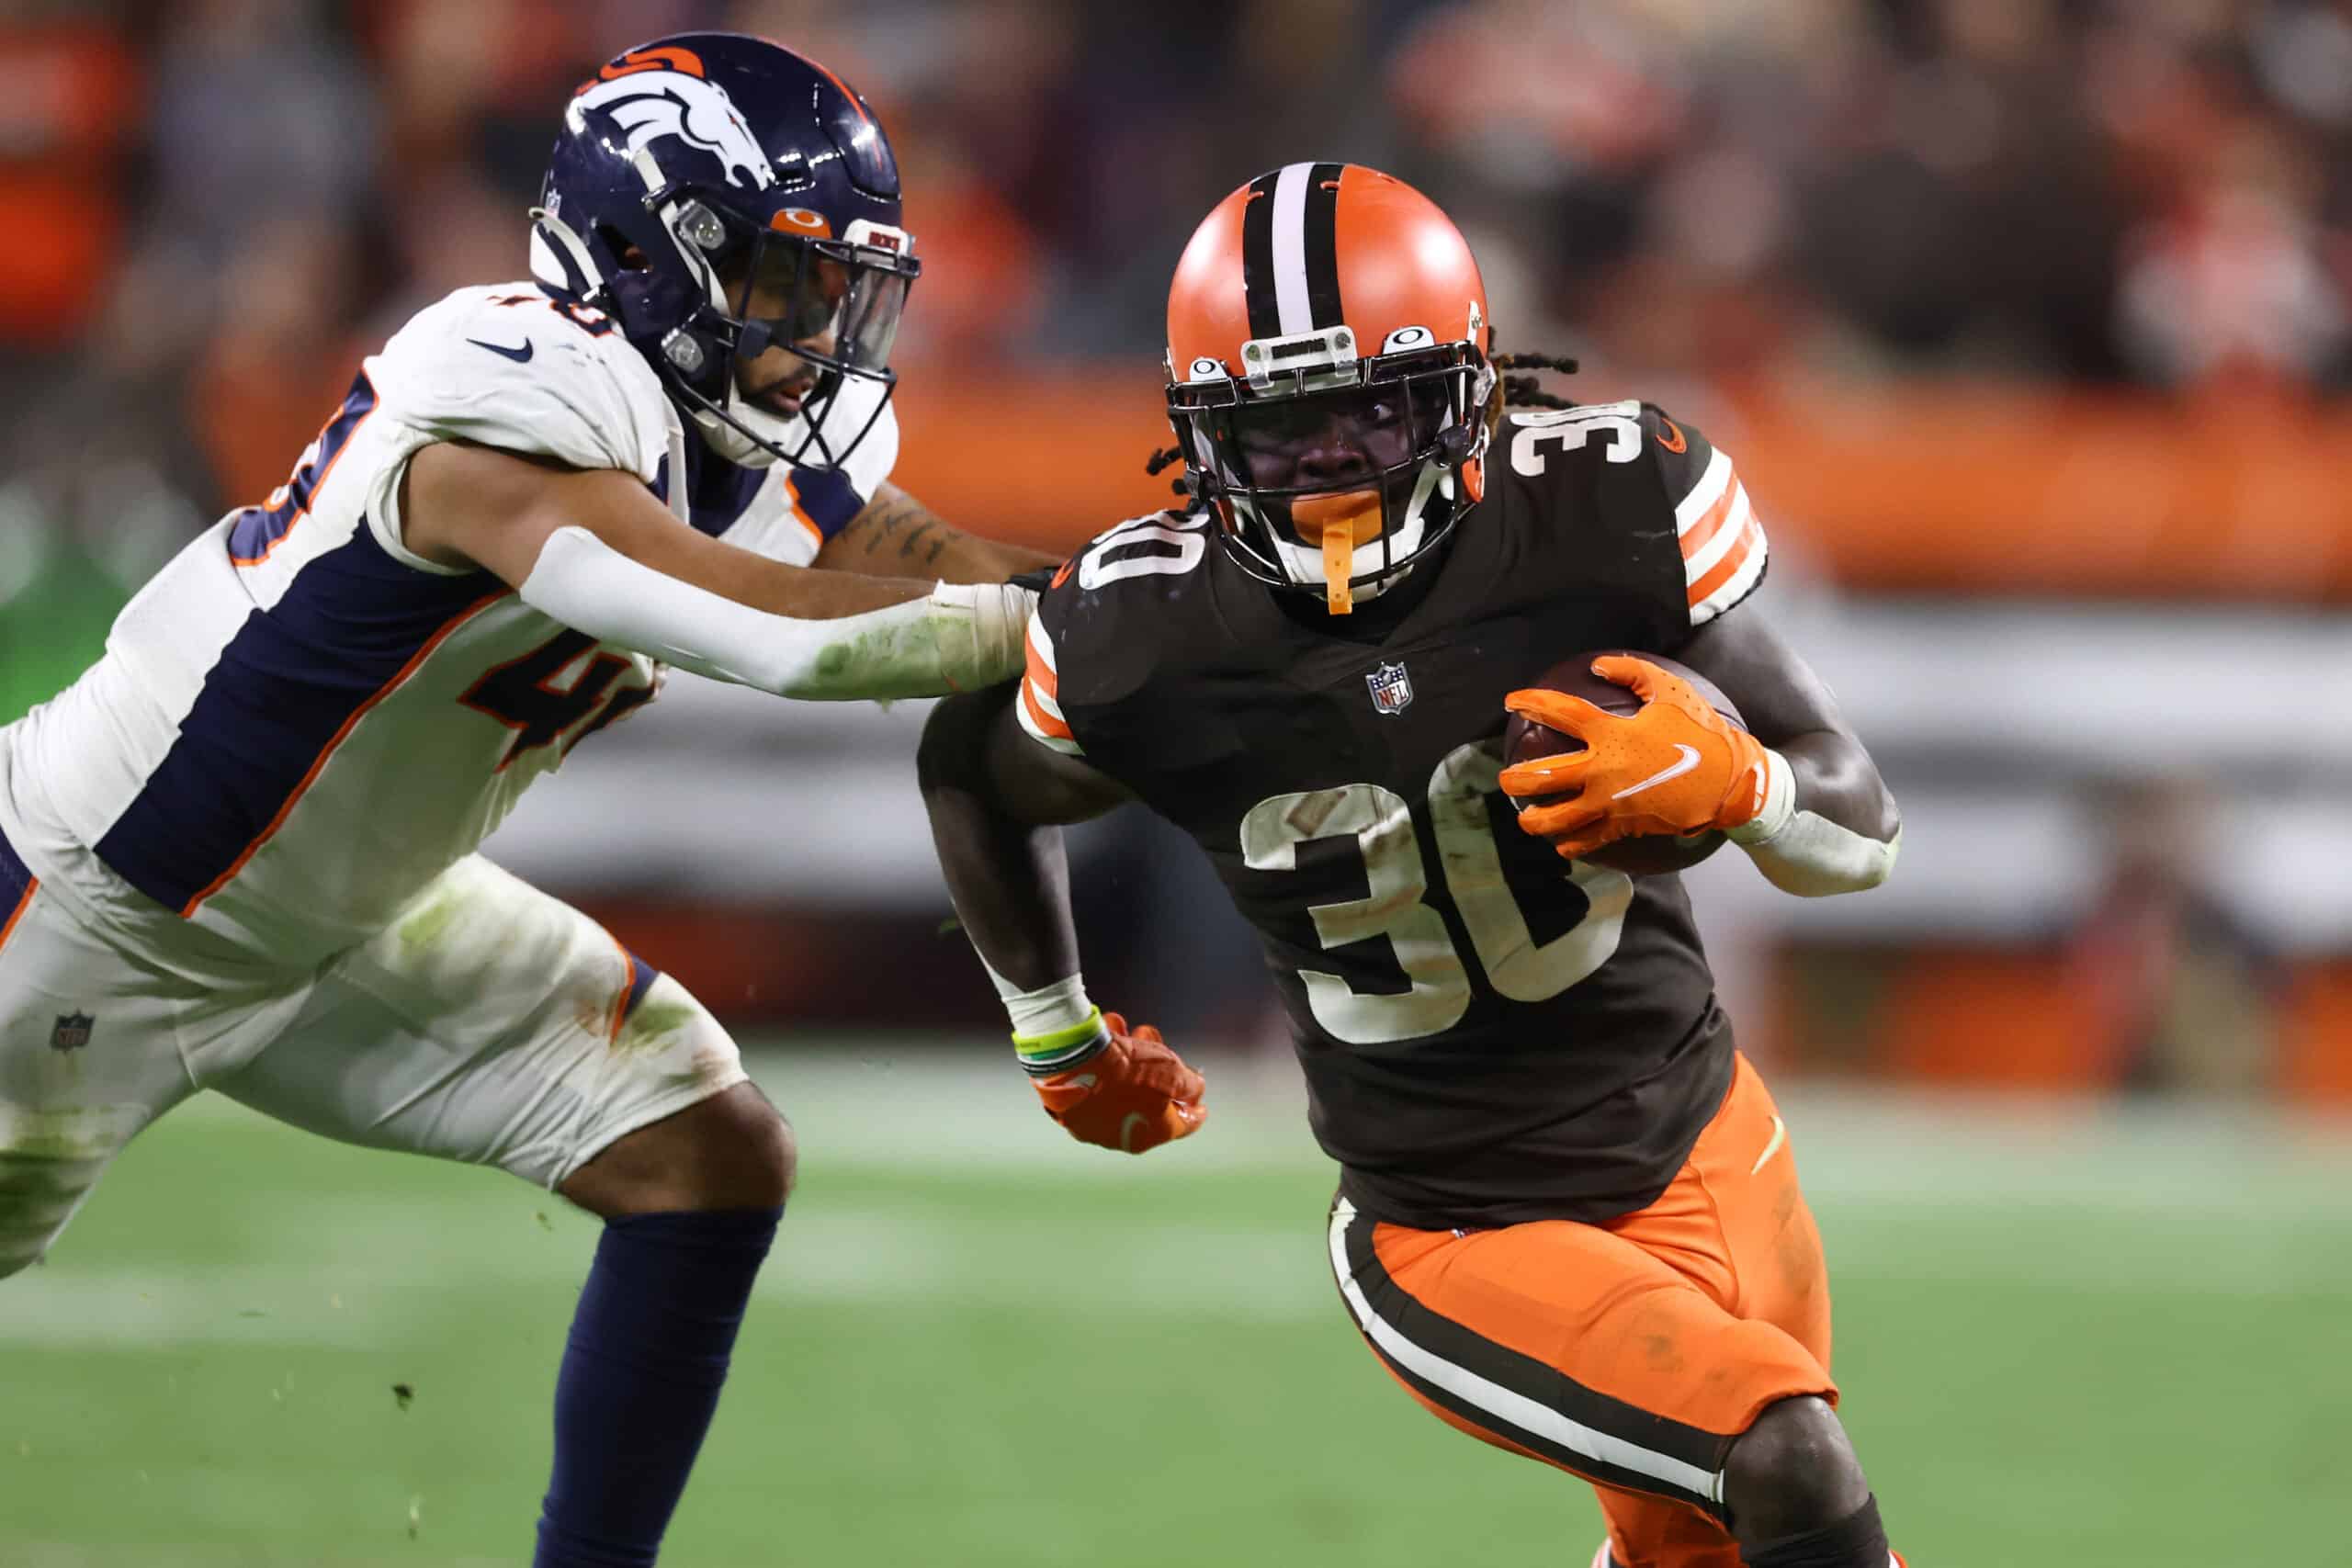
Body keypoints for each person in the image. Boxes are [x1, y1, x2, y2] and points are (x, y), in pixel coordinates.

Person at [0, 33, 1046, 1568]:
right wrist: (1068, 638)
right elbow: (762, 625)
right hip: (89, 908)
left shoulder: (729, 428)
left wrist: (1138, 596)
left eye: (832, 290)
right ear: (644, 249)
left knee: (702, 1143)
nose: (812, 332)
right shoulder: (505, 380)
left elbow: (881, 545)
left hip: (346, 917)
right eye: (778, 281)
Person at [920, 163, 1906, 1568]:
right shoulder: (1148, 635)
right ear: (1200, 442)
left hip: (1712, 1137)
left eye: (1369, 410)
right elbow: (972, 768)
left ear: (1468, 391)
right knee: (1788, 1464)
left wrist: (1747, 785)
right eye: (1278, 431)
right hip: (1456, 1225)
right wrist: (1056, 1035)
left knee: (1701, 1549)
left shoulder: (1608, 509)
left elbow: (1859, 823)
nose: (1330, 463)